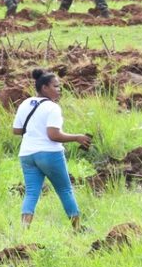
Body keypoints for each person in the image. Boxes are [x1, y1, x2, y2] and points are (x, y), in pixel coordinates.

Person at [13, 69, 89, 230]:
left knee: (32, 192)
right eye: (56, 86)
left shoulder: (25, 104)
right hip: (49, 154)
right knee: (65, 190)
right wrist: (77, 137)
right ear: (45, 87)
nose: (59, 89)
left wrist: (34, 129)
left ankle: (23, 229)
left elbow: (17, 131)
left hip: (27, 154)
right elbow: (53, 135)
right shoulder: (53, 108)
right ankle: (77, 228)